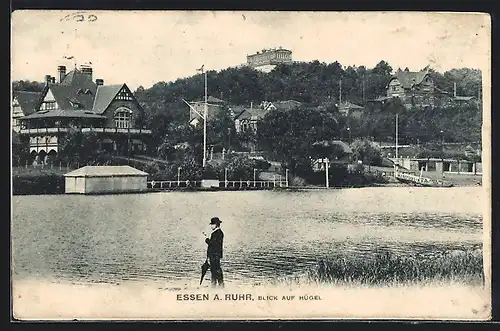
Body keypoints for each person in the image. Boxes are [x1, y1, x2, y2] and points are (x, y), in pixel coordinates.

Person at [204, 217, 224, 287]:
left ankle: (214, 287)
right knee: (217, 271)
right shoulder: (220, 233)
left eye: (212, 224)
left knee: (214, 271)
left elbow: (212, 244)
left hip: (214, 255)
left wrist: (206, 239)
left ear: (216, 225)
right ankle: (220, 286)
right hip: (216, 255)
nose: (211, 226)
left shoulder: (216, 233)